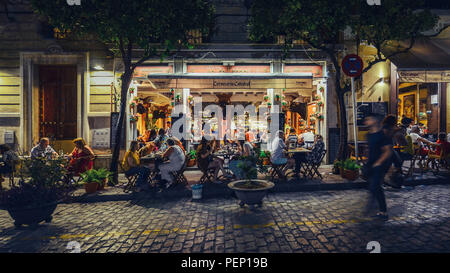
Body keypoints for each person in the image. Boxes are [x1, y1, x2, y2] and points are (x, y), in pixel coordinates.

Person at [363, 113, 392, 221]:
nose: (366, 122)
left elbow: (388, 151)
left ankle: (383, 212)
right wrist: (366, 160)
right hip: (371, 164)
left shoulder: (383, 135)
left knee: (375, 186)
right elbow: (368, 149)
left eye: (368, 119)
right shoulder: (369, 135)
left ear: (375, 121)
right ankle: (373, 203)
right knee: (373, 186)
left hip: (379, 165)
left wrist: (379, 163)